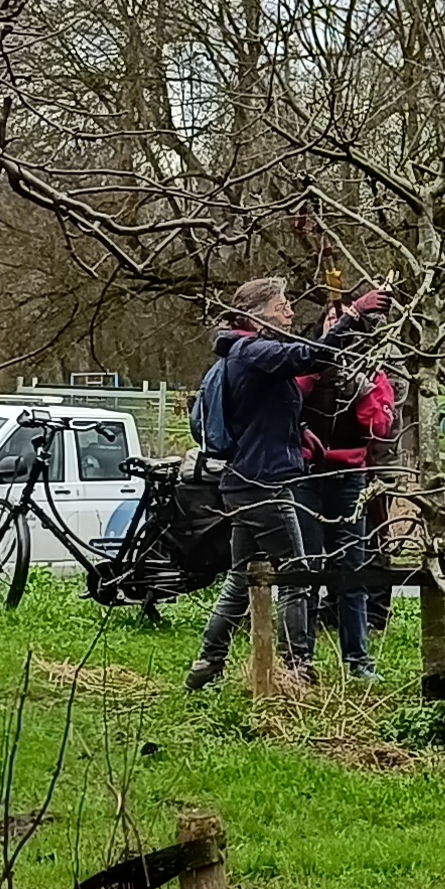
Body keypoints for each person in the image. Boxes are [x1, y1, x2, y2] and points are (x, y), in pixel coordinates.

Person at [183, 277, 339, 691]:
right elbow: (308, 357)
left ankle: (208, 662)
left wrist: (297, 431)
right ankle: (297, 667)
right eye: (281, 306)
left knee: (241, 578)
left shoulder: (247, 355)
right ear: (257, 315)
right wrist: (353, 319)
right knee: (295, 574)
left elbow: (260, 411)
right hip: (263, 483)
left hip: (243, 481)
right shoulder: (252, 353)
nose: (290, 312)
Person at [298, 288, 400, 683]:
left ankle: (358, 661)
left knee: (351, 570)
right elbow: (286, 406)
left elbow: (381, 427)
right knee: (306, 569)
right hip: (307, 476)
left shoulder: (373, 374)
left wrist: (362, 391)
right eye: (331, 319)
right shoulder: (305, 363)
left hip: (349, 478)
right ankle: (300, 661)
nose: (337, 325)